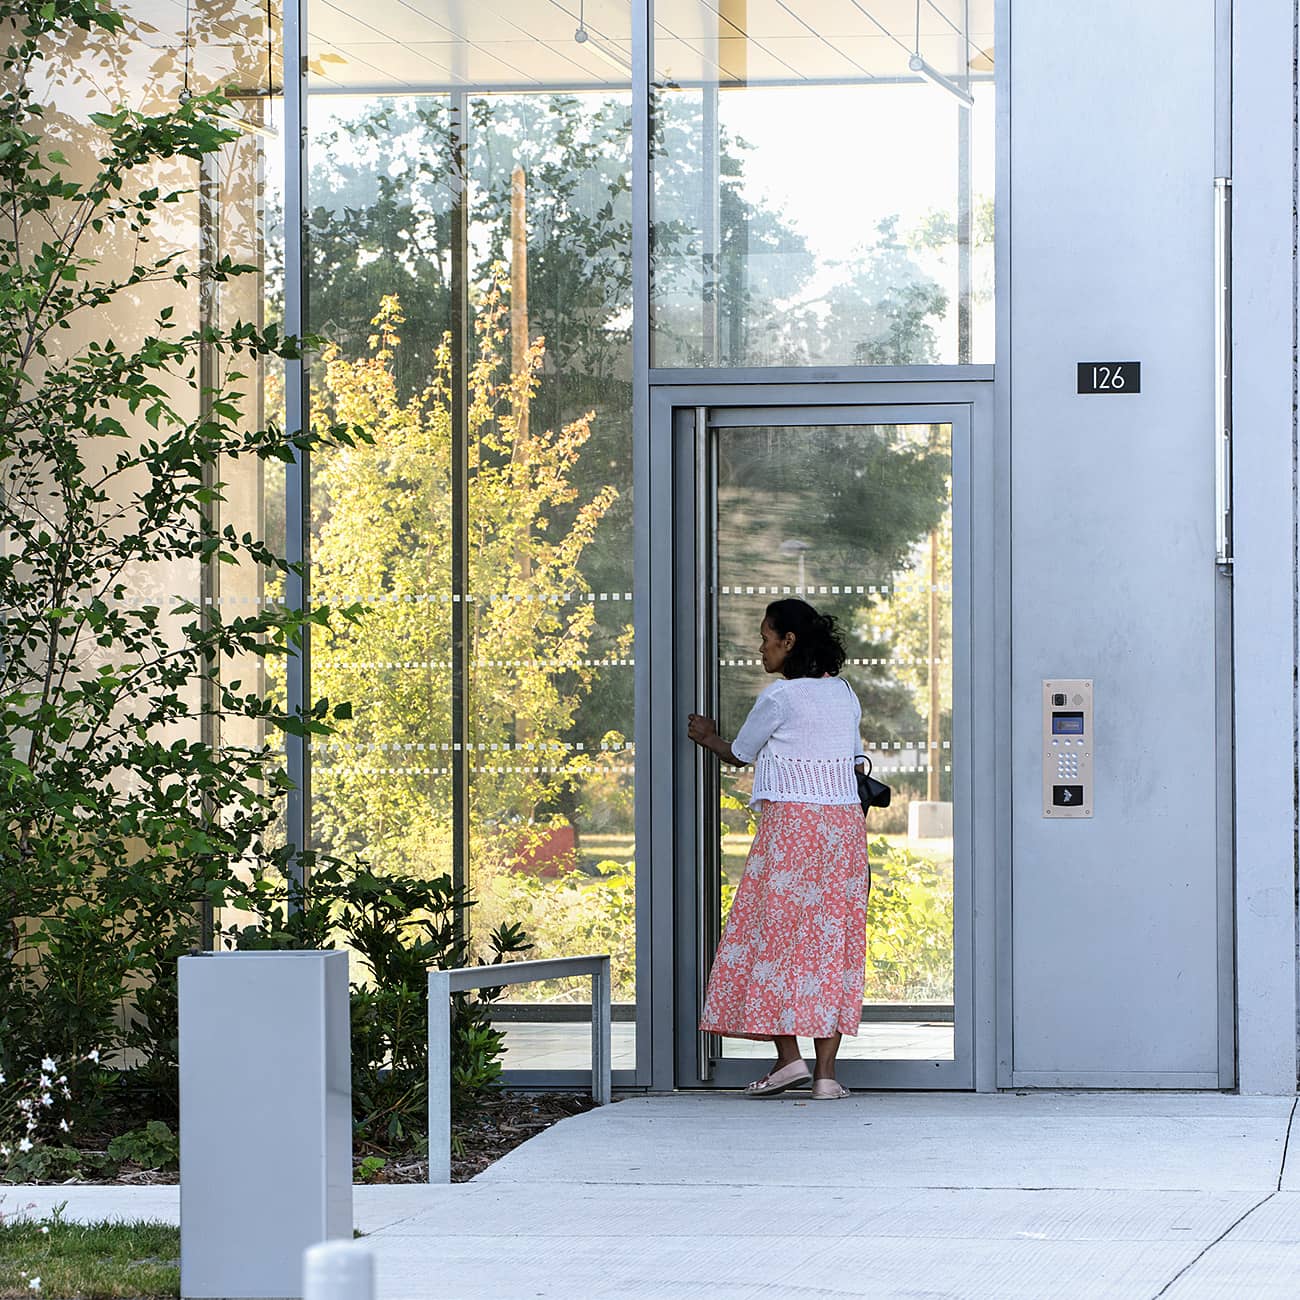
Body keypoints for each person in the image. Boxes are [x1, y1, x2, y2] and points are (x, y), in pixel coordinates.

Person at [687, 598, 870, 1101]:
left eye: (766, 637)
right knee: (832, 943)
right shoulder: (844, 693)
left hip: (792, 827)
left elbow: (740, 752)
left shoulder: (779, 698)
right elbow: (855, 762)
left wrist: (707, 736)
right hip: (843, 831)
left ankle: (788, 1060)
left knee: (773, 939)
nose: (760, 647)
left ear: (789, 642)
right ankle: (825, 1076)